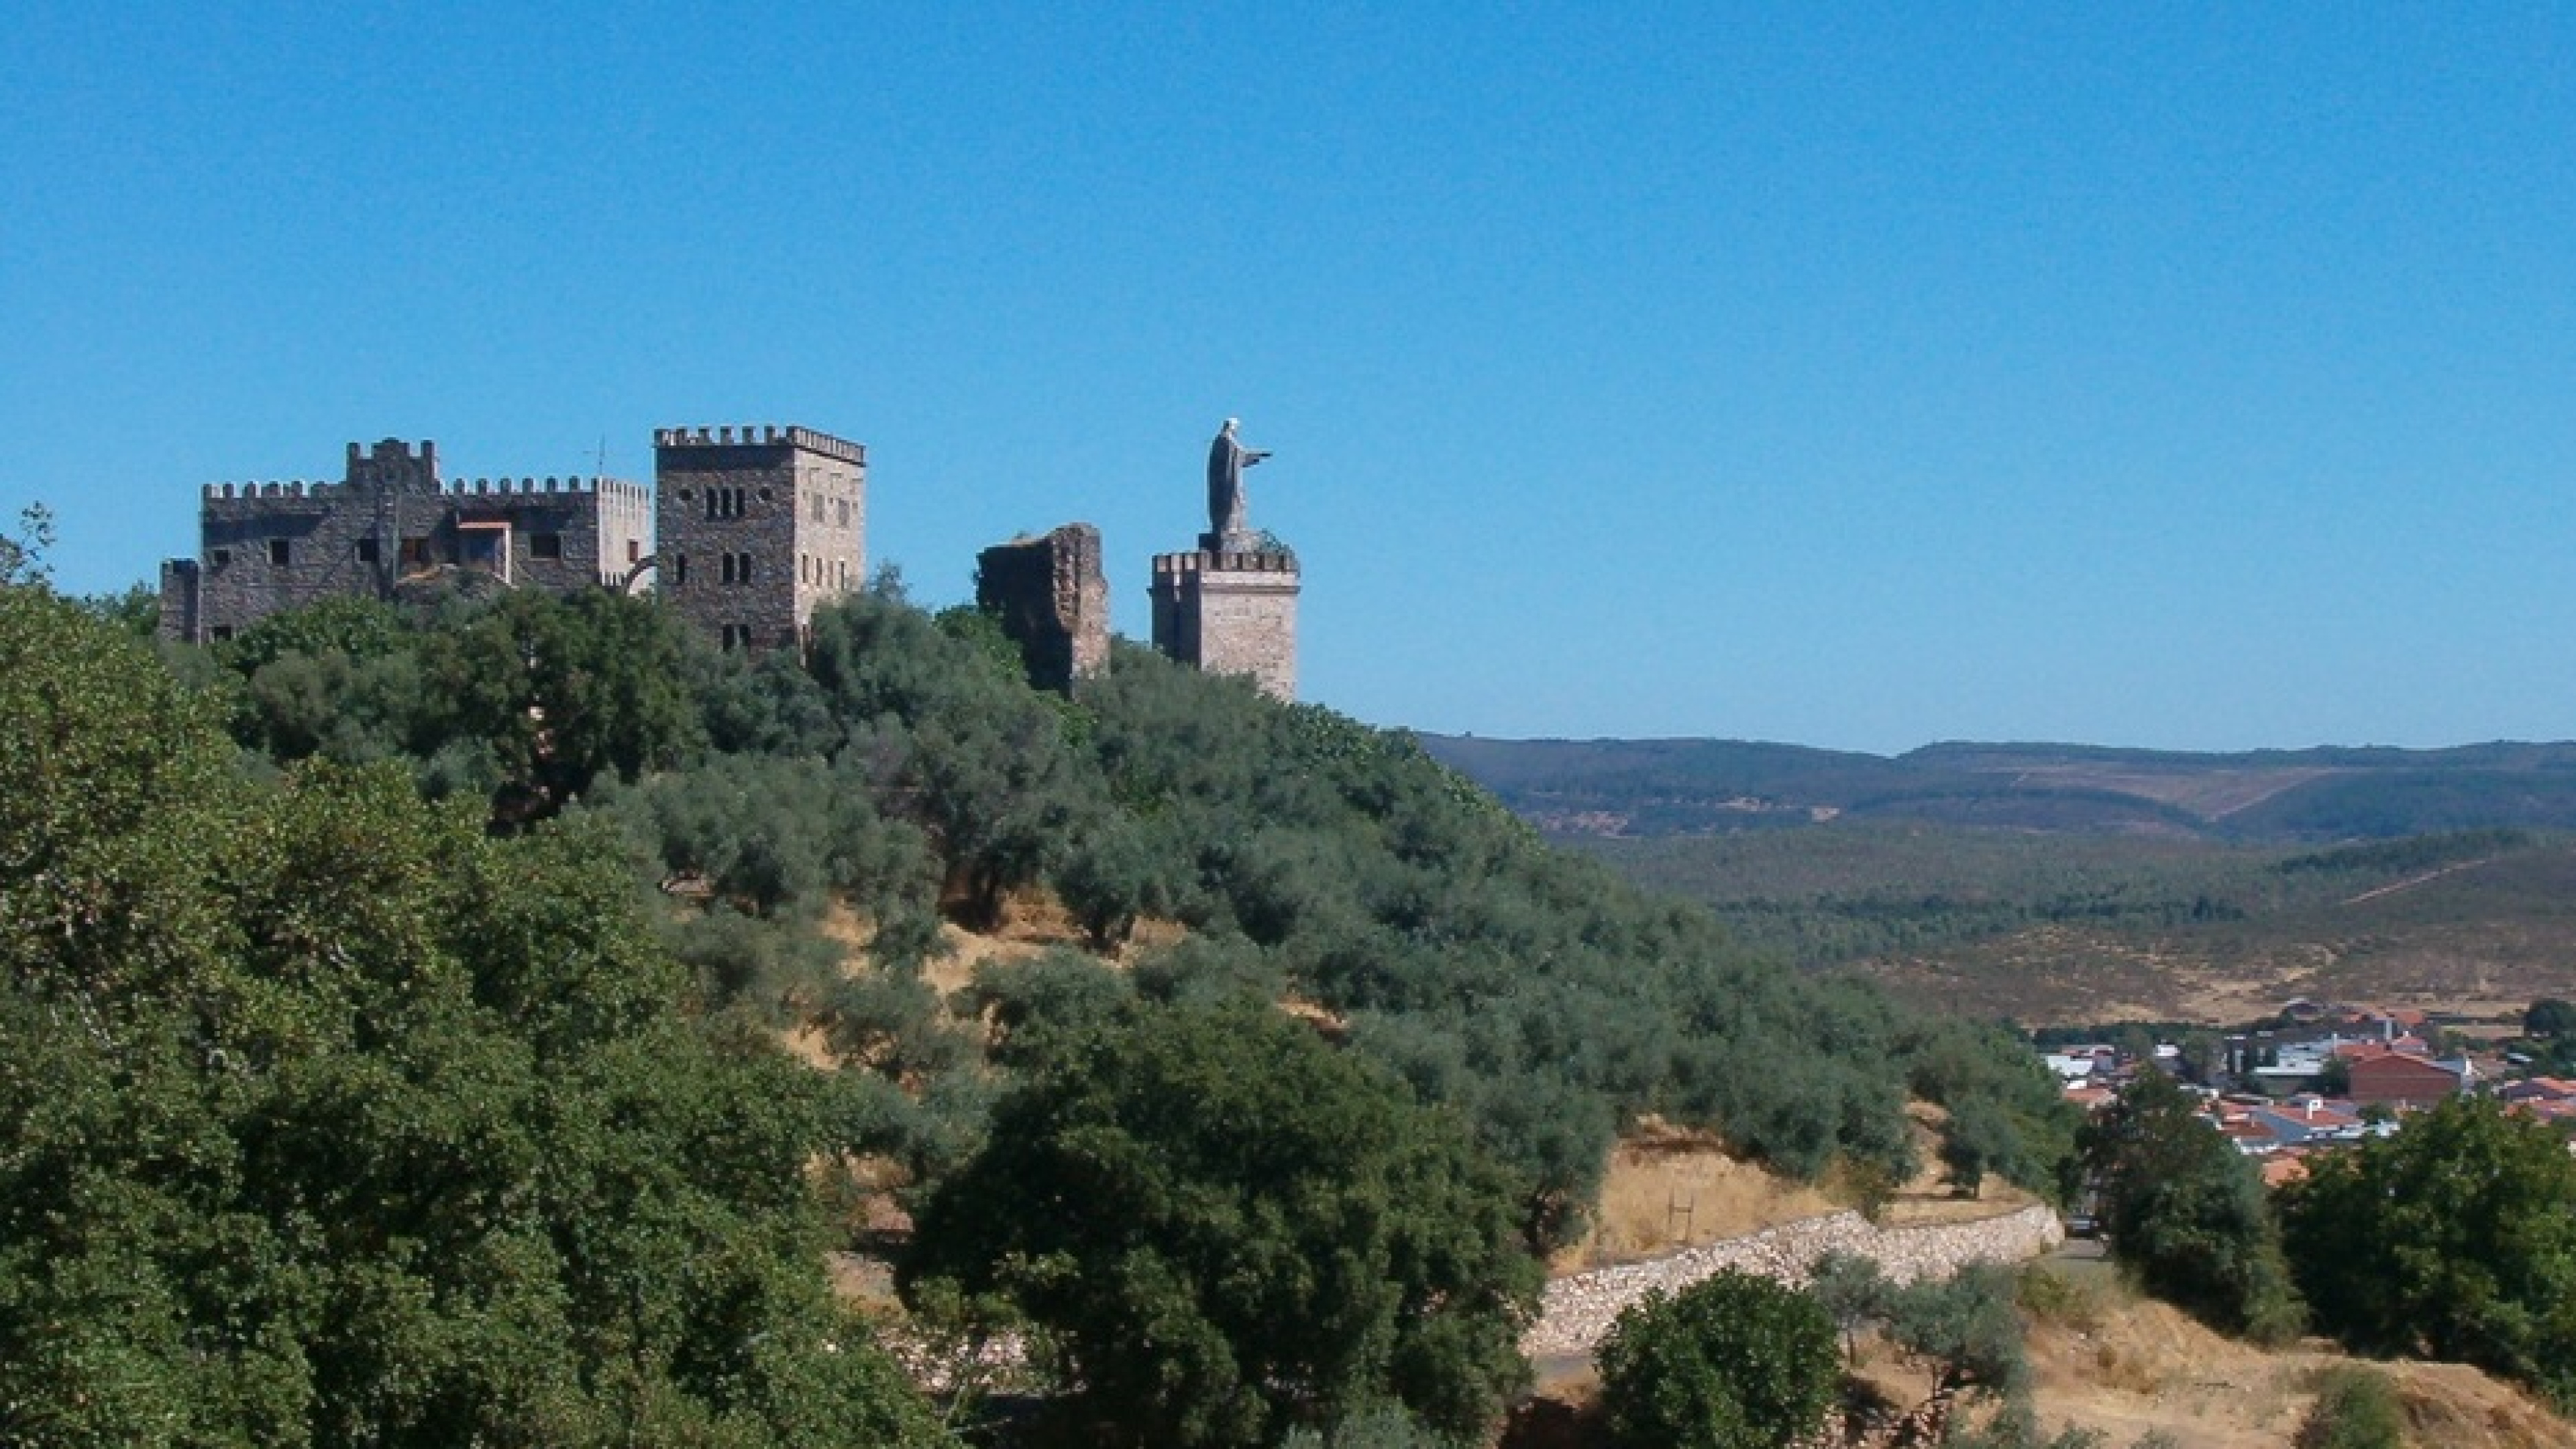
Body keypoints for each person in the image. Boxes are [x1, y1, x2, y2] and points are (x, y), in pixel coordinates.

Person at [1205, 417, 1271, 542]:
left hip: (1224, 482)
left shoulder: (1221, 441)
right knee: (1235, 502)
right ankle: (1231, 528)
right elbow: (1239, 456)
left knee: (1236, 502)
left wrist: (1257, 457)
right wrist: (1257, 455)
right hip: (1228, 484)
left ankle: (1232, 527)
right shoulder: (1226, 440)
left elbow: (1238, 458)